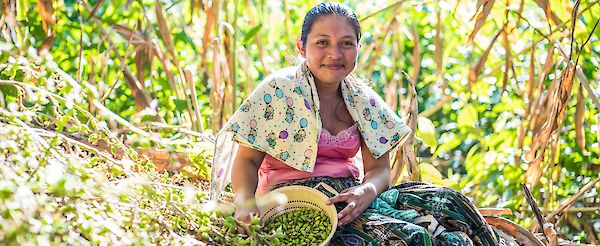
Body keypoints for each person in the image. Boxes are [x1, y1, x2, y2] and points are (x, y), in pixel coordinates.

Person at [210, 2, 501, 245]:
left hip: (352, 198)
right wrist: (245, 206)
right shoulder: (277, 91)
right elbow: (247, 161)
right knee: (411, 237)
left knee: (451, 202)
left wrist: (366, 192)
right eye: (322, 43)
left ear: (358, 48)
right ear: (302, 46)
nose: (335, 54)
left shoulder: (362, 100)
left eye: (346, 44)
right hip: (296, 202)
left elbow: (378, 170)